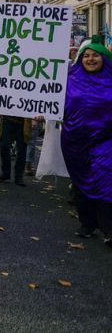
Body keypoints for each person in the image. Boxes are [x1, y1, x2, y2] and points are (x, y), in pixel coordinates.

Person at [60, 35, 112, 247]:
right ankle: (87, 223)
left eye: (95, 55)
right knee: (81, 180)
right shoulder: (69, 79)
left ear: (104, 58)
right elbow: (49, 100)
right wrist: (41, 112)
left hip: (105, 141)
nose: (90, 59)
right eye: (86, 55)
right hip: (74, 140)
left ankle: (108, 228)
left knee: (106, 181)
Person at [0, 115, 27, 186]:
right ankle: (5, 173)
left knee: (22, 148)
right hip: (7, 118)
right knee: (4, 145)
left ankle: (19, 176)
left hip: (23, 121)